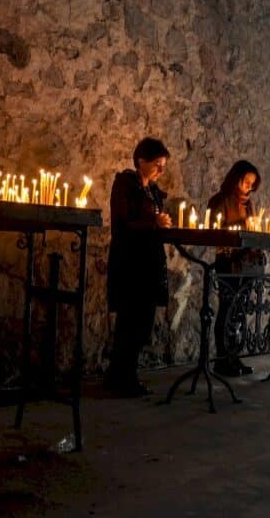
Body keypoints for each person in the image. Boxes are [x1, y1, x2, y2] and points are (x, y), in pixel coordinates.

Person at [105, 137, 172, 396]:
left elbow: (153, 220)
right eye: (157, 164)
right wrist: (153, 223)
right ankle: (120, 377)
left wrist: (162, 222)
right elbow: (122, 223)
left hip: (150, 262)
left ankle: (126, 374)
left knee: (144, 321)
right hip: (130, 261)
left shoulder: (153, 191)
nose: (161, 170)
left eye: (163, 165)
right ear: (141, 161)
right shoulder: (125, 185)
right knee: (129, 321)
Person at [207, 160, 263, 377]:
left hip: (246, 263)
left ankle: (234, 356)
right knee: (227, 308)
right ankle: (222, 359)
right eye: (246, 182)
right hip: (228, 262)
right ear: (235, 179)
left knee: (240, 310)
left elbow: (252, 227)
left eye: (252, 184)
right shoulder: (220, 201)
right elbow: (214, 232)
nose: (249, 187)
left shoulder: (248, 204)